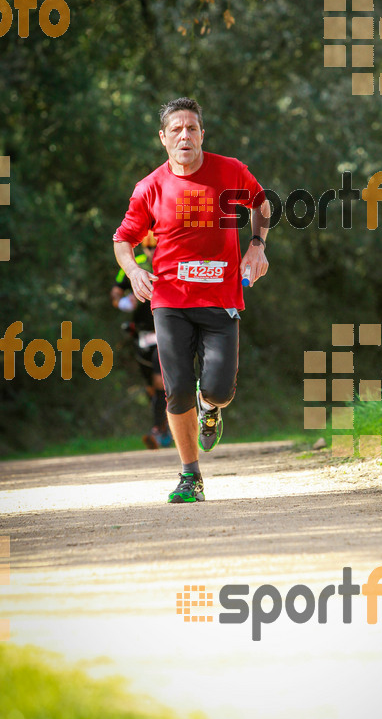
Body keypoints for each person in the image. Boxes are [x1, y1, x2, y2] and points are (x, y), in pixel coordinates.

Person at [113, 97, 270, 503]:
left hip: (221, 298)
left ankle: (211, 407)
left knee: (219, 389)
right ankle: (190, 475)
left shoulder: (231, 171)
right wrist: (133, 271)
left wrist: (256, 245)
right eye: (177, 129)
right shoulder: (149, 187)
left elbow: (262, 203)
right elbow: (123, 240)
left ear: (202, 134)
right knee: (176, 388)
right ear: (163, 138)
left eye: (193, 128)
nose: (186, 135)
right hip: (169, 300)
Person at [110, 231, 172, 450]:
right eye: (147, 247)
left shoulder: (171, 261)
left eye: (154, 247)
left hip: (166, 331)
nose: (151, 251)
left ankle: (159, 429)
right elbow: (116, 292)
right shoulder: (134, 263)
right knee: (151, 387)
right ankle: (166, 425)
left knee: (159, 381)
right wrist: (122, 303)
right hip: (142, 334)